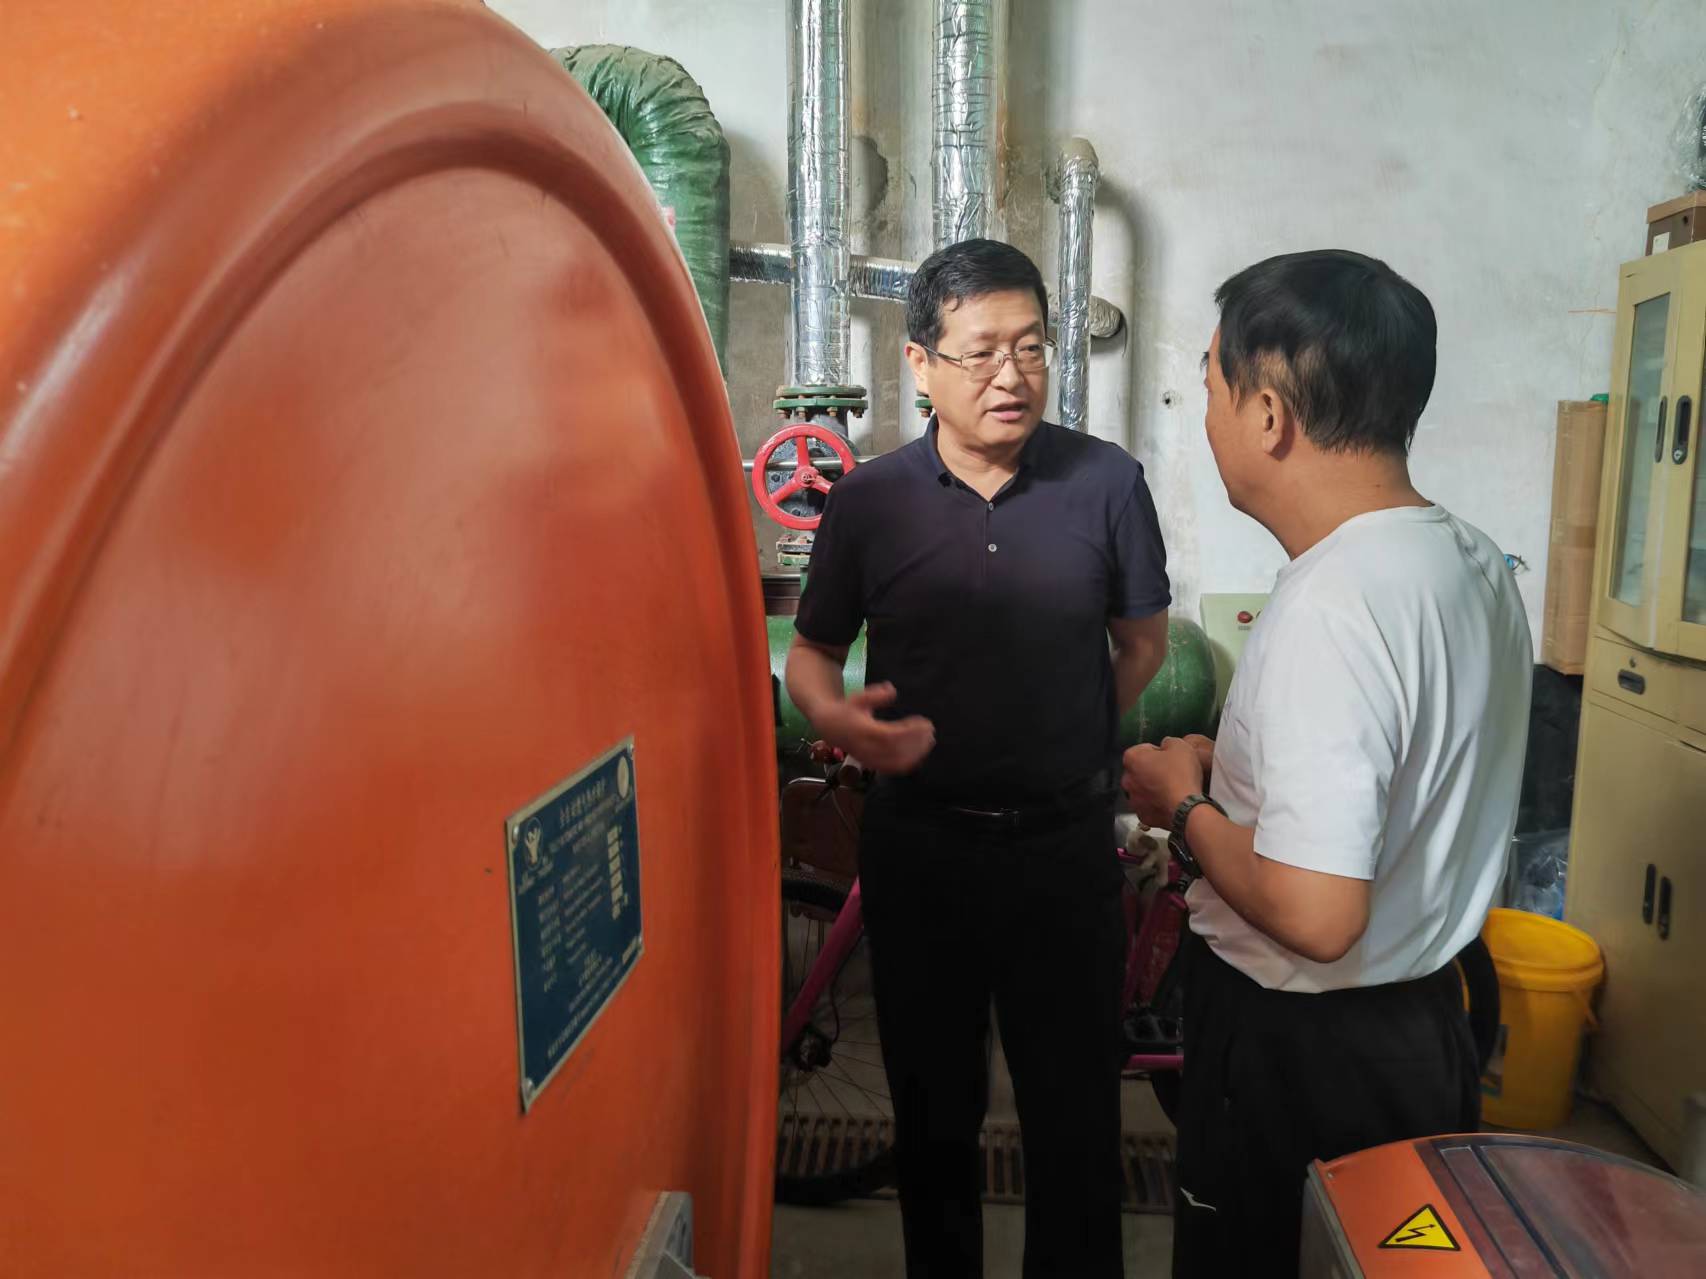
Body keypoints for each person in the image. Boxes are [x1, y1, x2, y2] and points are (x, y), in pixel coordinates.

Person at [1120, 250, 1532, 1278]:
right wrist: (1239, 777)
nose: (1207, 415)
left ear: (1267, 414)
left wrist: (1186, 806)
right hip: (1420, 1027)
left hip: (1299, 1055)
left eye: (1210, 384)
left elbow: (1316, 913)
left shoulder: (1333, 605)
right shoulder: (1468, 560)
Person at [786, 237, 1171, 1278]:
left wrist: (1066, 729)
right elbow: (811, 655)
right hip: (921, 851)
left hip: (1063, 852)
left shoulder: (1105, 483)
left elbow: (1141, 643)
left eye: (1031, 347)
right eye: (982, 351)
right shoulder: (870, 502)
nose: (1011, 375)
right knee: (932, 1117)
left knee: (1075, 1121)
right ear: (920, 363)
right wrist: (841, 718)